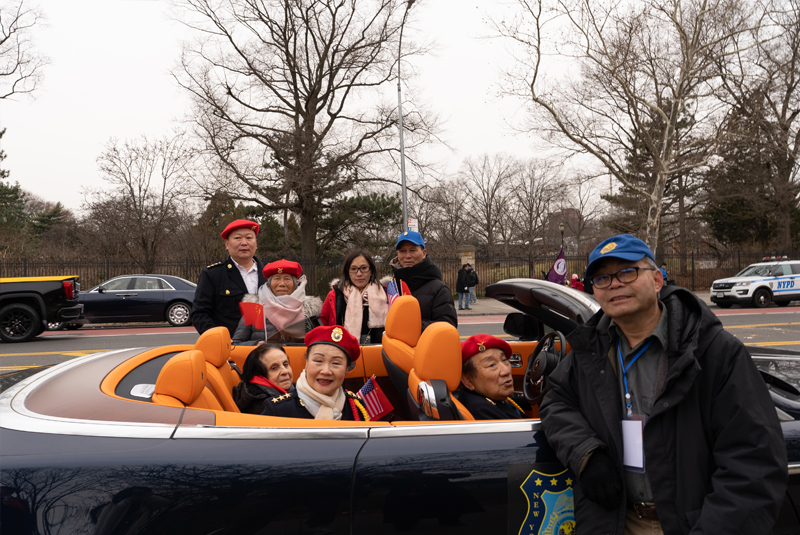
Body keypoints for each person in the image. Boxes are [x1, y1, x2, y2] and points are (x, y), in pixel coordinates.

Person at [539, 234, 787, 535]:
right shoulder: (589, 353)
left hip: (692, 524)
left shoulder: (714, 352)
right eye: (602, 278)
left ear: (657, 280)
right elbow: (556, 399)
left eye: (627, 272)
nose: (614, 283)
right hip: (617, 522)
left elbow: (754, 465)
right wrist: (587, 453)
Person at [261, 325, 369, 420]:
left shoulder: (355, 406)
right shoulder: (278, 410)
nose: (326, 371)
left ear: (346, 369)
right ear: (307, 363)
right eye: (318, 361)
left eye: (336, 363)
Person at [193, 219, 267, 337]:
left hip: (267, 347)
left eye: (249, 238)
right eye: (238, 238)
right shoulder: (213, 274)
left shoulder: (271, 274)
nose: (244, 243)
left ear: (256, 243)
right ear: (227, 244)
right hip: (230, 347)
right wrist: (218, 338)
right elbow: (200, 313)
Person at [232, 259, 322, 345]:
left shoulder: (310, 309)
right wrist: (256, 344)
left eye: (287, 279)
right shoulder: (255, 309)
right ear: (269, 283)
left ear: (295, 284)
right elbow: (237, 342)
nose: (282, 283)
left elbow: (322, 342)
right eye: (277, 278)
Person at [390, 230, 457, 330]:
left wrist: (409, 327)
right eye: (403, 251)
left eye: (413, 250)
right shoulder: (392, 287)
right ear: (397, 254)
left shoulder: (439, 289)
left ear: (424, 253)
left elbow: (447, 326)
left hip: (425, 345)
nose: (407, 256)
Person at [320, 250, 389, 344]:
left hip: (378, 353)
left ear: (371, 271)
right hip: (344, 353)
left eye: (364, 268)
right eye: (353, 269)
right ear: (347, 272)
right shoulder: (335, 295)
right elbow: (324, 326)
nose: (359, 274)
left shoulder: (386, 295)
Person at [454, 334, 525, 420]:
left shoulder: (489, 396)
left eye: (504, 360)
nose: (506, 371)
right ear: (468, 381)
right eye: (492, 365)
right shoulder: (482, 411)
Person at [232, 344, 294, 414]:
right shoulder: (265, 406)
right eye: (274, 368)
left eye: (285, 364)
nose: (285, 371)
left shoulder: (291, 387)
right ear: (259, 376)